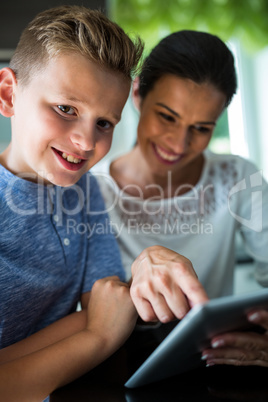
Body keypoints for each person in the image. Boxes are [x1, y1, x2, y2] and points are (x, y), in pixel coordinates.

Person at [0, 7, 209, 400]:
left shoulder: (84, 190)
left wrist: (140, 270)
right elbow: (102, 324)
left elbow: (109, 305)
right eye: (65, 109)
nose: (86, 142)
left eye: (104, 123)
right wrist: (95, 335)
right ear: (9, 94)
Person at [95, 30, 268, 367]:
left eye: (201, 128)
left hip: (215, 365)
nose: (178, 143)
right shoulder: (90, 189)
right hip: (115, 369)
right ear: (137, 94)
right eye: (167, 116)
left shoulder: (238, 178)